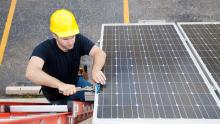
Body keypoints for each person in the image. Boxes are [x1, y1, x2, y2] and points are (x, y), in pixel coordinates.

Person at [25, 9, 106, 105]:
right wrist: (60, 85)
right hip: (57, 97)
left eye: (72, 36)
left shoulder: (78, 39)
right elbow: (31, 72)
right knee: (72, 113)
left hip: (77, 83)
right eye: (65, 38)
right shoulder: (44, 49)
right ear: (54, 35)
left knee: (101, 97)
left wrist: (96, 70)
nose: (71, 42)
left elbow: (99, 53)